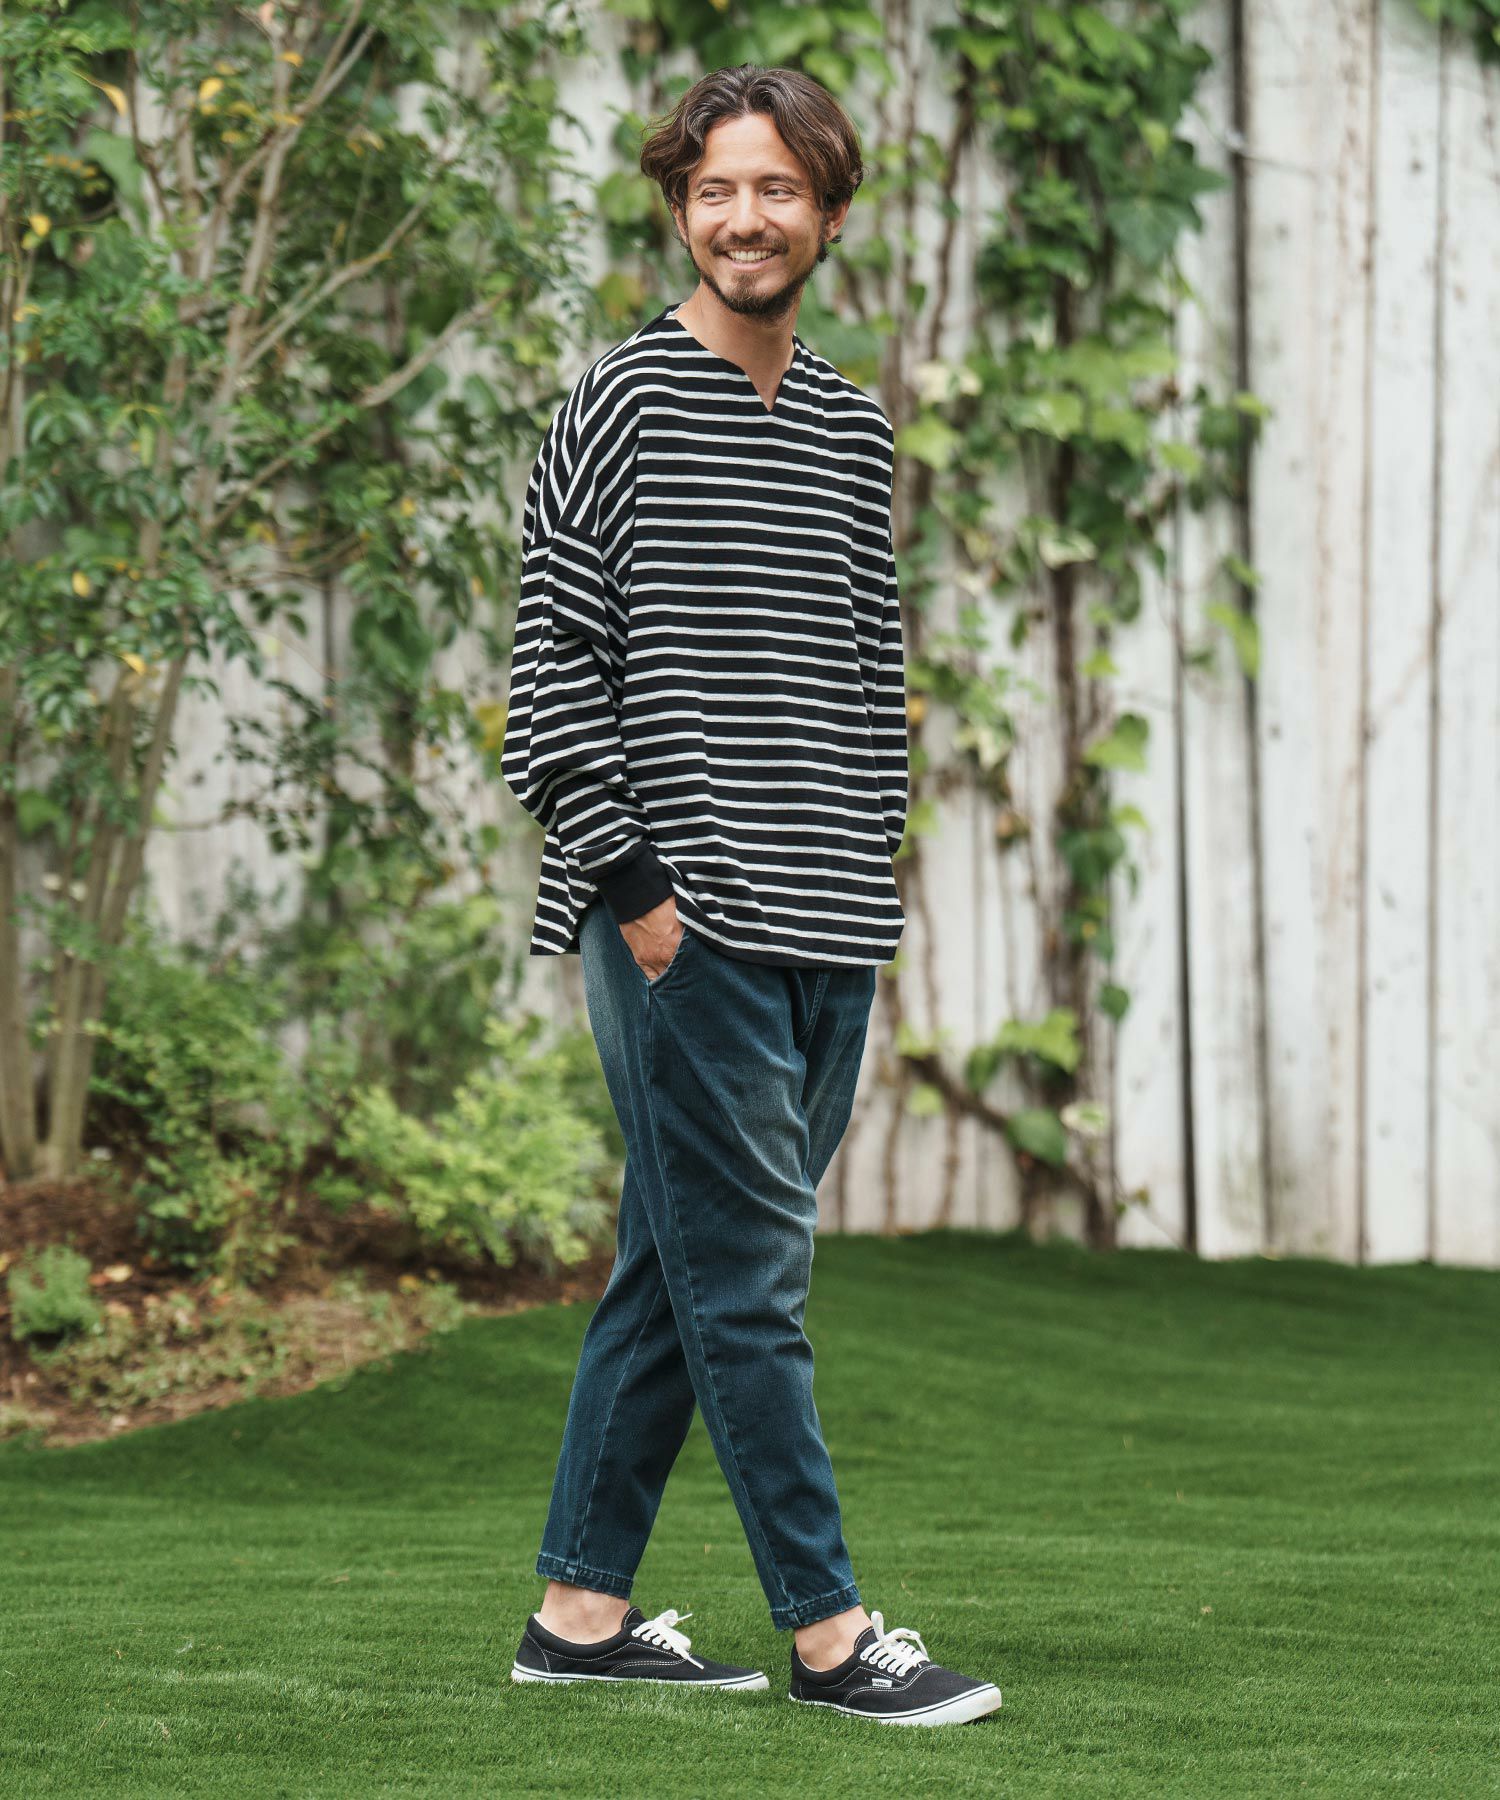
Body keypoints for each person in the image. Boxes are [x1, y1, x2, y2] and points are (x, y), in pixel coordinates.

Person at [499, 63, 1002, 1728]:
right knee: (753, 1283)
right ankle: (830, 1635)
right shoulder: (618, 404)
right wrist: (642, 894)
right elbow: (550, 681)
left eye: (777, 188)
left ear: (829, 214)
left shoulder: (851, 425)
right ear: (679, 210)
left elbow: (870, 667)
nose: (745, 217)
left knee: (680, 1266)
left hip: (828, 923)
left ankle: (579, 1614)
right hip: (681, 924)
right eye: (716, 189)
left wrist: (871, 871)